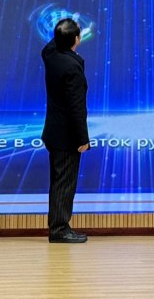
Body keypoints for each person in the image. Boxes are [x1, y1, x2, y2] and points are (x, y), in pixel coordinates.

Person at [41, 17, 90, 244]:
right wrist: (83, 138)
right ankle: (59, 229)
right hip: (66, 135)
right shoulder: (72, 67)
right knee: (64, 182)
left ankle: (58, 226)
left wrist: (63, 30)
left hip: (54, 131)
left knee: (59, 181)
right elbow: (76, 107)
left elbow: (53, 43)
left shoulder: (51, 55)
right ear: (76, 39)